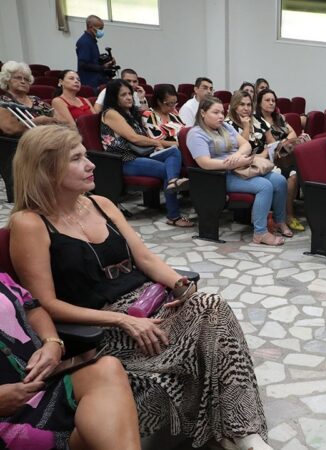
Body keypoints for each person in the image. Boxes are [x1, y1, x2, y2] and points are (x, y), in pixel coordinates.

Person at [9, 125, 271, 450]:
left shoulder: (101, 204)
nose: (91, 164)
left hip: (149, 308)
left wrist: (179, 286)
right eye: (77, 159)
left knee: (208, 305)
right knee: (210, 320)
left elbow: (145, 258)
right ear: (47, 170)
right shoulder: (29, 223)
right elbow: (45, 302)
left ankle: (240, 430)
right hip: (103, 328)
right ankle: (239, 434)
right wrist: (123, 320)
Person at [0, 273, 141, 450]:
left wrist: (52, 341)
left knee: (107, 368)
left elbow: (32, 308)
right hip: (7, 416)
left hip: (43, 386)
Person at [188, 96, 290, 245]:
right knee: (264, 186)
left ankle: (280, 221)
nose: (221, 116)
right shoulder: (196, 134)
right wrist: (231, 164)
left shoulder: (225, 127)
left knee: (280, 181)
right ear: (203, 113)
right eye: (215, 113)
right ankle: (260, 233)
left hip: (240, 167)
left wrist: (236, 157)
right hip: (220, 175)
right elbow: (205, 163)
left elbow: (246, 145)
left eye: (222, 112)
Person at [99, 79, 193, 228]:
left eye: (130, 93)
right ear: (113, 97)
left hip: (141, 154)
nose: (129, 97)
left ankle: (172, 183)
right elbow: (133, 137)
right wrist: (156, 143)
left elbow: (147, 113)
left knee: (174, 152)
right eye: (123, 95)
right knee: (169, 171)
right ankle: (173, 215)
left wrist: (142, 98)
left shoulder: (129, 112)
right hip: (124, 160)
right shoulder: (111, 113)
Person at [255, 88, 306, 233]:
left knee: (299, 170)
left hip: (284, 156)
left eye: (273, 100)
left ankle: (293, 214)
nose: (271, 103)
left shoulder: (279, 117)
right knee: (293, 174)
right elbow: (269, 144)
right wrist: (283, 143)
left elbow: (293, 133)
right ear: (259, 103)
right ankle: (286, 216)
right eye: (267, 100)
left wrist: (283, 142)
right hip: (268, 158)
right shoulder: (257, 121)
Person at [0, 61, 63, 136]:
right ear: (7, 80)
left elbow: (57, 119)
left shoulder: (36, 100)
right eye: (18, 78)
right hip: (21, 143)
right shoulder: (3, 102)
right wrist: (38, 121)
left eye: (26, 79)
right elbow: (10, 128)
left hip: (47, 137)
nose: (23, 81)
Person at [75, 15, 112, 90]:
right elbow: (83, 64)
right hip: (90, 82)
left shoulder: (91, 41)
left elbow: (93, 59)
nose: (101, 31)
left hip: (97, 80)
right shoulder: (85, 42)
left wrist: (107, 60)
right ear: (91, 27)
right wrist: (103, 67)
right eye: (100, 28)